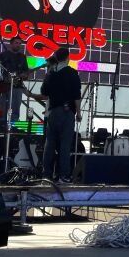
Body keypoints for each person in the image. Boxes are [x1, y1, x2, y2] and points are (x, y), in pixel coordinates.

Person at [22, 48, 82, 182]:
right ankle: (63, 175)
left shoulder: (51, 74)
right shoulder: (72, 73)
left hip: (52, 112)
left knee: (49, 145)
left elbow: (44, 92)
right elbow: (77, 95)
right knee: (65, 145)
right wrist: (78, 112)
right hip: (67, 112)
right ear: (68, 58)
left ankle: (46, 175)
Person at [0, 37, 29, 129]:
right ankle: (1, 129)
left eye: (20, 43)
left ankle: (13, 129)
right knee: (2, 109)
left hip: (17, 86)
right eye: (16, 43)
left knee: (15, 109)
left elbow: (26, 72)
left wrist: (24, 75)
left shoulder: (22, 57)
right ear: (11, 44)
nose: (18, 45)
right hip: (3, 86)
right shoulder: (3, 55)